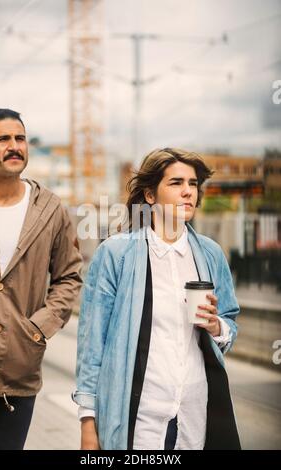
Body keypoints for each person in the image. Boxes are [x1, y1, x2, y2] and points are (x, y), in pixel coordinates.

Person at [73, 147, 241, 450]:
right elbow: (91, 346)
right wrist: (88, 424)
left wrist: (217, 327)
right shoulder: (116, 254)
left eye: (193, 184)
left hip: (194, 410)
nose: (188, 192)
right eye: (176, 183)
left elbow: (230, 321)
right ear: (150, 196)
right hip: (139, 414)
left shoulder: (211, 253)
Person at [0, 108, 82, 450]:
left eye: (20, 138)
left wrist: (37, 329)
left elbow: (69, 276)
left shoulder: (51, 210)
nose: (14, 146)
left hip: (19, 371)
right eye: (3, 139)